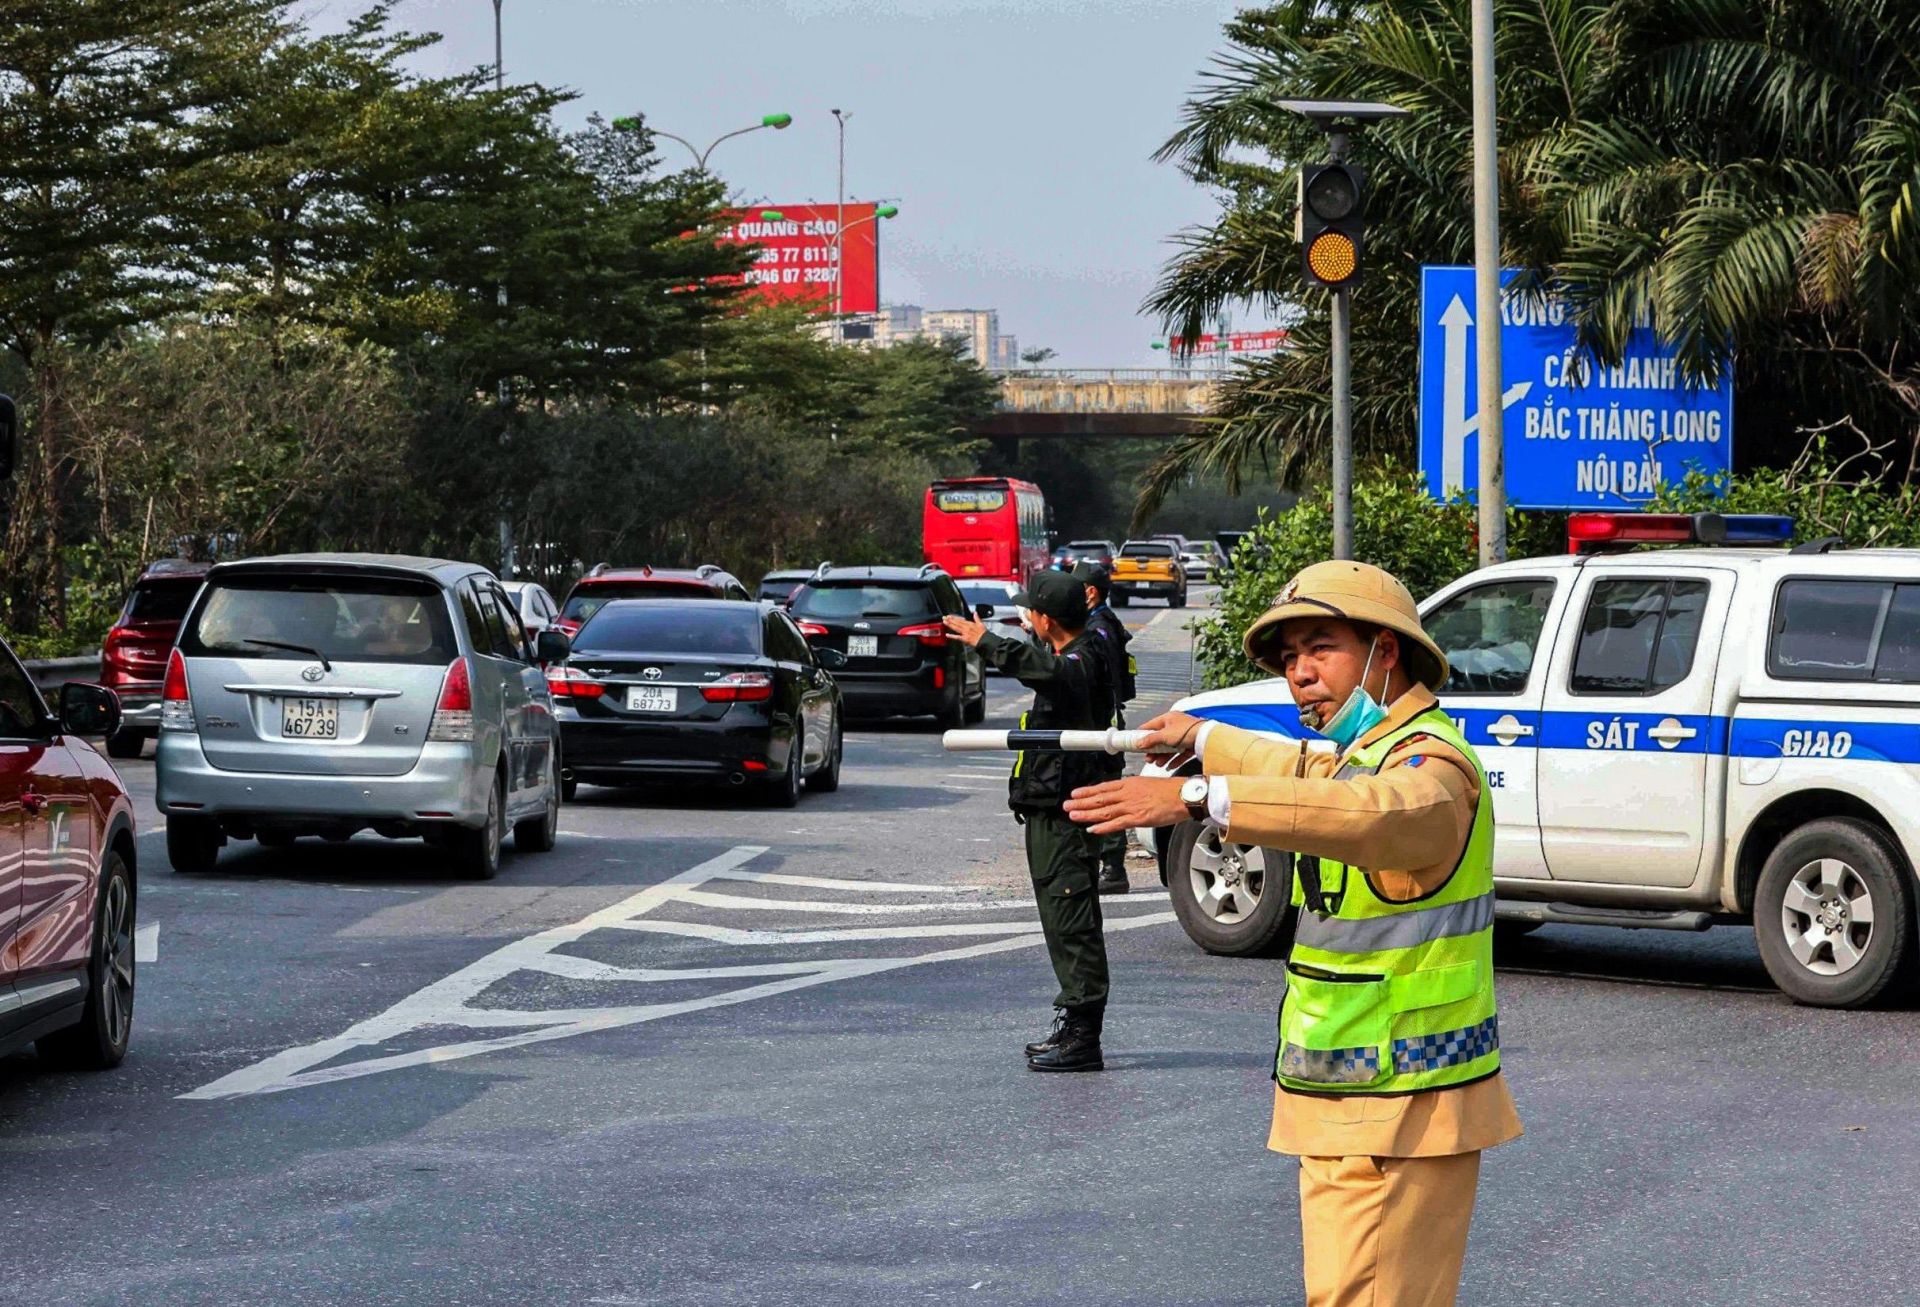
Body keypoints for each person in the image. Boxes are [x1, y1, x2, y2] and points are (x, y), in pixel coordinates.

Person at [1063, 559, 1522, 1307]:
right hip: (1354, 1106)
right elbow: (1311, 768)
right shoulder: (1366, 752)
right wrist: (1205, 737)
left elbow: (1377, 811)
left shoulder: (1432, 768)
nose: (1301, 673)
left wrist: (1196, 795)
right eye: (1289, 659)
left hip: (1399, 1109)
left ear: (1386, 648)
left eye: (1321, 648)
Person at [942, 570, 1114, 1072]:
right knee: (1061, 920)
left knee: (1071, 919)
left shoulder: (1085, 654)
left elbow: (1057, 675)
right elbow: (1045, 666)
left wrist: (988, 642)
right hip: (1051, 808)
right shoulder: (1068, 649)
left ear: (1046, 618)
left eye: (1031, 612)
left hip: (1069, 810)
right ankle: (1075, 1025)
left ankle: (1084, 1036)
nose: (1026, 618)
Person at [1071, 560, 1136, 895]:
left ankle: (1113, 868)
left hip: (1103, 723)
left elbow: (1096, 675)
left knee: (1105, 792)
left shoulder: (1100, 627)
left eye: (1075, 586)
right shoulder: (1096, 622)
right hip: (1098, 721)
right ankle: (1102, 863)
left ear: (1090, 592)